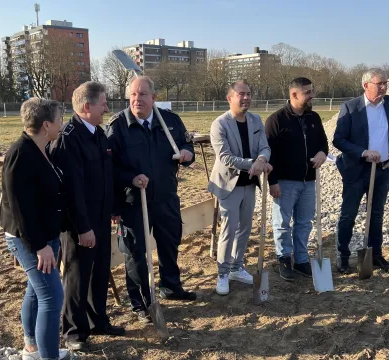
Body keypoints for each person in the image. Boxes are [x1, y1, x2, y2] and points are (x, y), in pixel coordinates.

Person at [105, 76, 196, 324]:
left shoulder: (171, 122)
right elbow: (108, 168)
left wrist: (187, 153)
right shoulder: (118, 126)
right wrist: (130, 178)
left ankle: (171, 286)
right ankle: (141, 302)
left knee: (170, 242)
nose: (137, 99)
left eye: (143, 94)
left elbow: (187, 144)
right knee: (135, 253)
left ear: (153, 98)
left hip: (166, 196)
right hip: (134, 201)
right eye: (133, 95)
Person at [49, 81, 125, 351]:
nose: (107, 107)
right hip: (80, 225)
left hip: (102, 218)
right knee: (77, 276)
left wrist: (114, 209)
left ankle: (97, 321)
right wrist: (83, 228)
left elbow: (107, 176)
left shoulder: (99, 134)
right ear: (86, 106)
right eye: (102, 103)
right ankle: (73, 331)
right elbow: (71, 190)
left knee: (100, 272)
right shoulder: (69, 138)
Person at [1, 98, 71, 360]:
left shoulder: (42, 149)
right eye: (59, 119)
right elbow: (21, 208)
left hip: (45, 235)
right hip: (29, 239)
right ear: (45, 125)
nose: (61, 124)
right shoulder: (21, 154)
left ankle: (32, 347)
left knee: (36, 290)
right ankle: (48, 356)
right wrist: (39, 246)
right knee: (52, 298)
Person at [333, 68, 389, 273]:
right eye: (379, 83)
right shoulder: (351, 107)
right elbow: (339, 139)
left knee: (376, 214)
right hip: (356, 170)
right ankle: (343, 257)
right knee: (348, 214)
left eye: (385, 83)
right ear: (366, 85)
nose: (383, 87)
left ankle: (375, 255)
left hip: (382, 171)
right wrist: (363, 152)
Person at [208, 80, 272, 296]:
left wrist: (262, 159)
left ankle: (237, 267)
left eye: (249, 93)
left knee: (245, 228)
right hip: (228, 184)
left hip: (249, 184)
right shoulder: (220, 124)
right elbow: (225, 157)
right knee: (229, 229)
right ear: (230, 98)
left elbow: (264, 146)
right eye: (241, 94)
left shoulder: (256, 120)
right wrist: (254, 164)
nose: (246, 98)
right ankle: (223, 273)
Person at [265, 77, 329, 282]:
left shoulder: (314, 118)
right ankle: (284, 258)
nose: (312, 95)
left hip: (309, 181)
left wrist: (322, 153)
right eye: (308, 92)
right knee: (282, 223)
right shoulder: (276, 120)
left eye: (312, 91)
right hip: (284, 181)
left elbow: (323, 143)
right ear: (294, 94)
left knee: (304, 222)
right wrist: (272, 181)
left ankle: (301, 260)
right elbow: (268, 154)